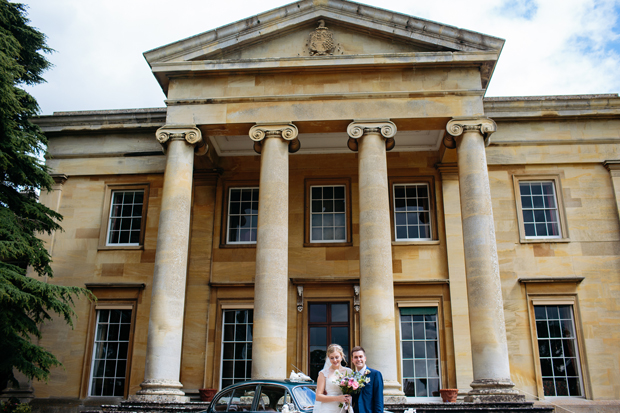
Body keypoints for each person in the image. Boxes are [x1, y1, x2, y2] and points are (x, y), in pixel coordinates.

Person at [313, 344, 352, 413]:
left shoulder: (349, 372)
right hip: (328, 408)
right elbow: (318, 397)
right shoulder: (323, 373)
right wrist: (337, 398)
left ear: (341, 356)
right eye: (331, 358)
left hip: (343, 408)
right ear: (328, 358)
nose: (334, 360)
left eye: (337, 357)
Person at [350, 346, 383, 413]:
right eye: (355, 357)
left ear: (365, 358)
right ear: (352, 360)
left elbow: (379, 400)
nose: (358, 359)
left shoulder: (375, 374)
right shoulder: (351, 377)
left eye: (360, 356)